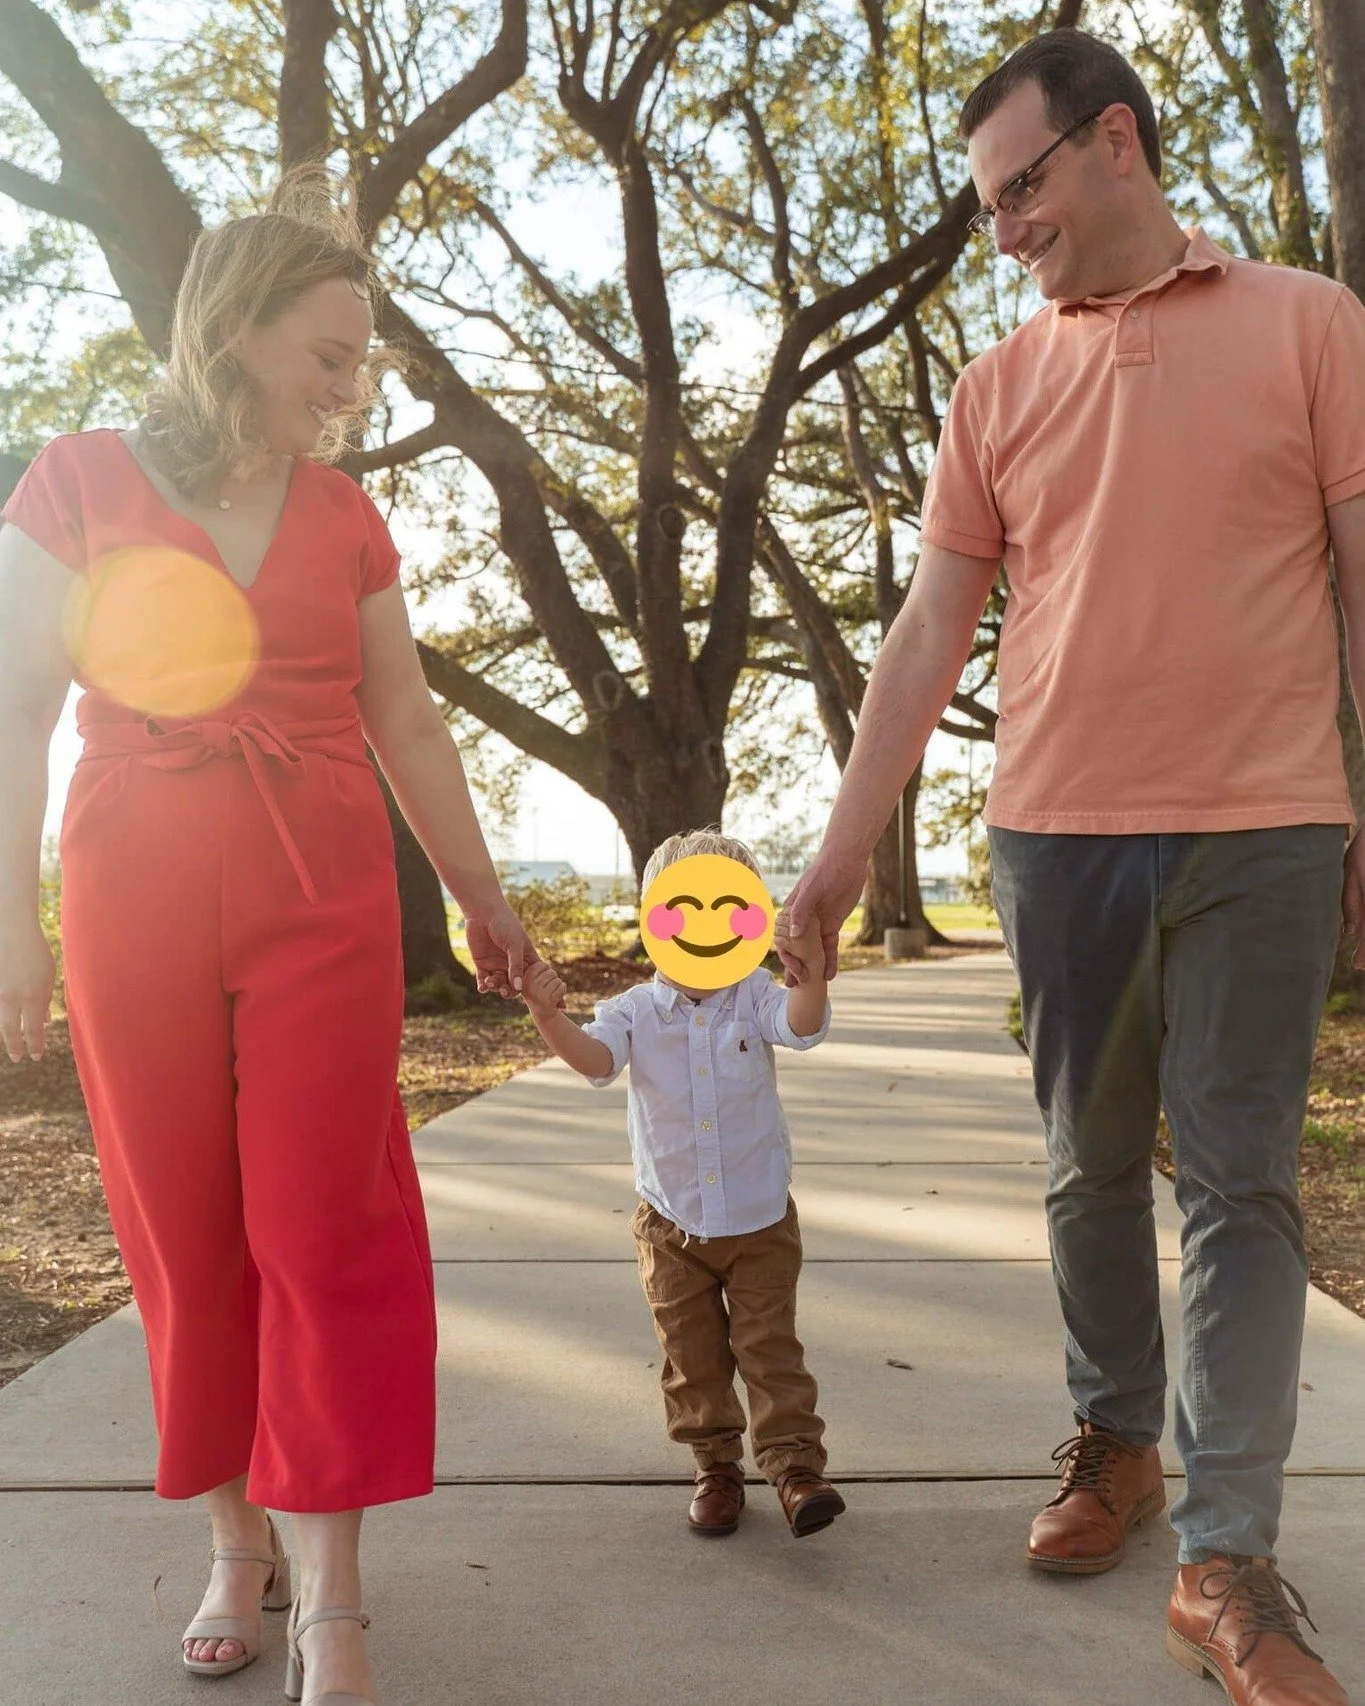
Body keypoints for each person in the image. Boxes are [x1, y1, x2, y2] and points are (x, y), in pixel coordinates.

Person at [778, 28, 1365, 1705]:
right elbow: (923, 637)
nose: (1006, 228)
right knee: (1087, 1170)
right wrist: (836, 858)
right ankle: (1117, 1443)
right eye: (987, 207)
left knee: (1244, 1183)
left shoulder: (1312, 325)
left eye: (1020, 186)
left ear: (1116, 142)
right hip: (1056, 835)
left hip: (1264, 825)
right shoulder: (999, 386)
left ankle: (1228, 1556)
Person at [0, 170, 537, 1705]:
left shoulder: (347, 513)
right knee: (185, 1227)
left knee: (324, 1227)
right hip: (130, 883)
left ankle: (336, 1599)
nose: (350, 386)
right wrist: (12, 930)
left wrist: (486, 895)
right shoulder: (80, 479)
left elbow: (410, 719)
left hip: (322, 892)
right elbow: (15, 708)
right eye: (331, 352)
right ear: (234, 333)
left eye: (358, 358)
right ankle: (238, 1543)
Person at [520, 828, 846, 1538]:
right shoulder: (635, 1011)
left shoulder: (757, 996)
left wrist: (810, 974)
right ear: (654, 921)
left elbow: (801, 1026)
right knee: (690, 1356)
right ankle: (716, 1467)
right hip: (671, 1226)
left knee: (769, 1350)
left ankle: (794, 1467)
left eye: (727, 911)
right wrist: (549, 1016)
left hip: (758, 1220)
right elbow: (594, 1060)